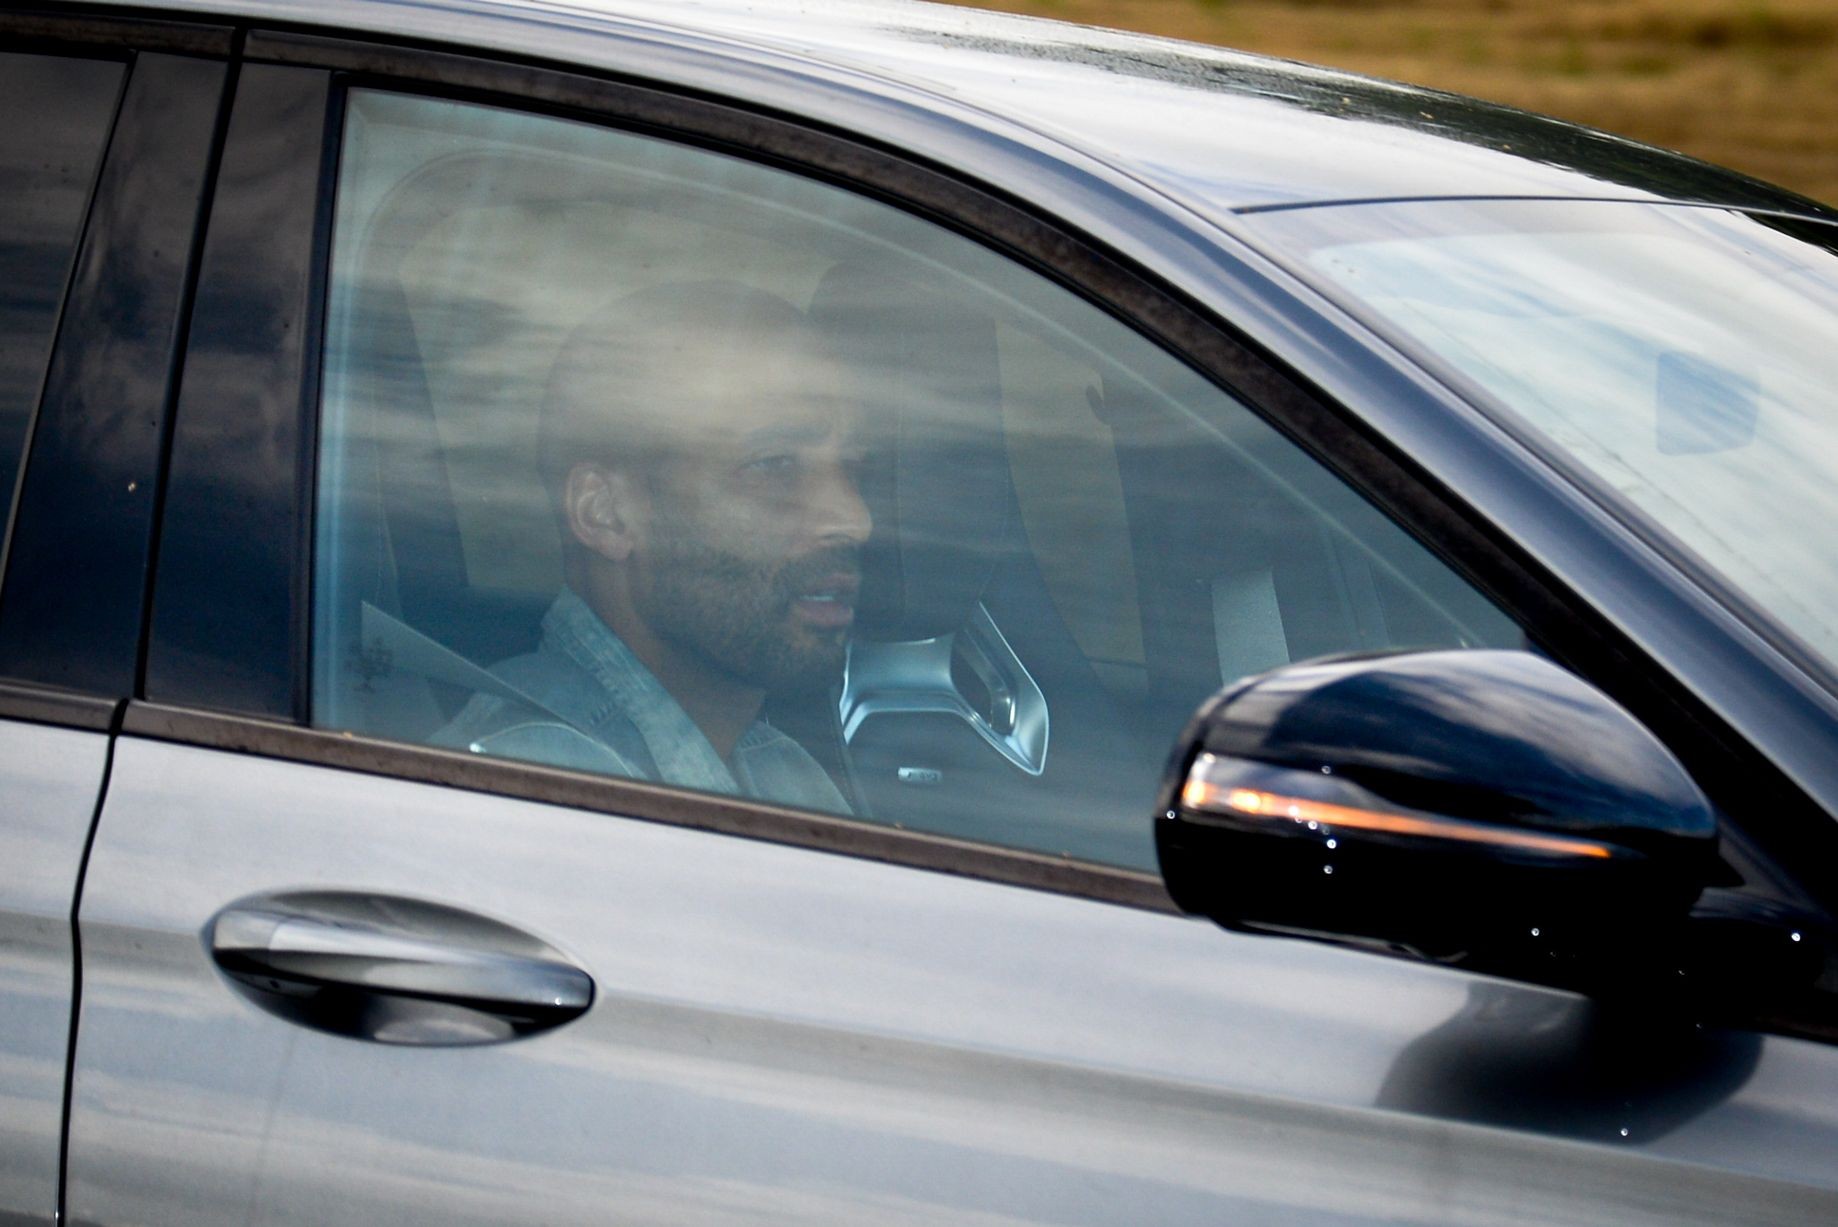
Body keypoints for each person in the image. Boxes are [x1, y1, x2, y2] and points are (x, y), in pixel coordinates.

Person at [436, 280, 871, 814]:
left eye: (852, 469)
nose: (855, 519)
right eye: (774, 465)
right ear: (608, 513)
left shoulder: (780, 770)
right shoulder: (541, 785)